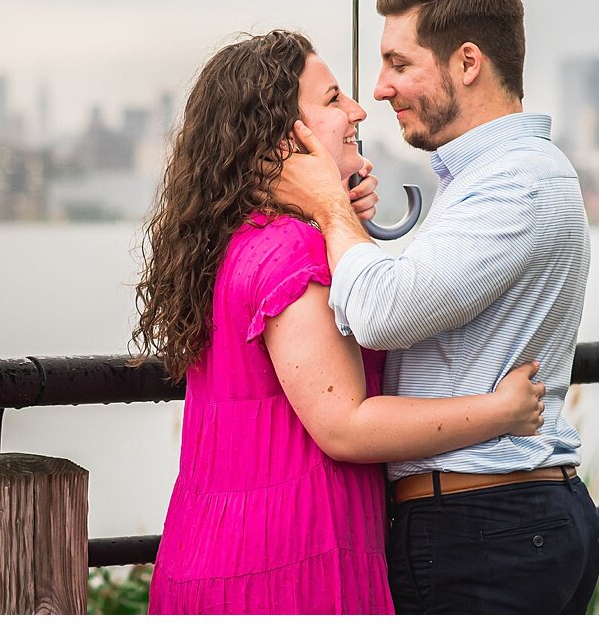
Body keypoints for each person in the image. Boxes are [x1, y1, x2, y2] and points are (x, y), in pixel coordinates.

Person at [133, 30, 546, 615]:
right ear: (281, 139)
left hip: (220, 544)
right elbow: (345, 425)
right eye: (332, 101)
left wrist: (341, 221)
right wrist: (500, 413)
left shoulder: (241, 238)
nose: (357, 110)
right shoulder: (292, 252)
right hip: (290, 562)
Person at [274, 0, 599, 614]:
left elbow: (378, 314)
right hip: (497, 522)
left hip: (485, 527)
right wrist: (360, 226)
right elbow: (420, 300)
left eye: (399, 63)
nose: (380, 87)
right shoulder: (485, 179)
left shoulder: (518, 184)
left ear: (468, 63)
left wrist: (329, 212)